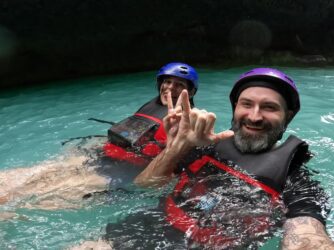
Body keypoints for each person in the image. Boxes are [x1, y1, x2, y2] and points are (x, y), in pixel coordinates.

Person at [75, 68, 334, 249]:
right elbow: (145, 186)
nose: (255, 116)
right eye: (246, 104)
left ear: (288, 116)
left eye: (269, 108)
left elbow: (306, 234)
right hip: (144, 228)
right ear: (235, 108)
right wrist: (178, 145)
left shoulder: (296, 183)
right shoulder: (203, 146)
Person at [0, 62, 199, 209]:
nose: (170, 88)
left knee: (30, 198)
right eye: (167, 82)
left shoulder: (187, 121)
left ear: (189, 93)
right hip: (99, 158)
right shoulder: (154, 104)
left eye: (179, 85)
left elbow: (177, 165)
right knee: (11, 180)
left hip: (116, 174)